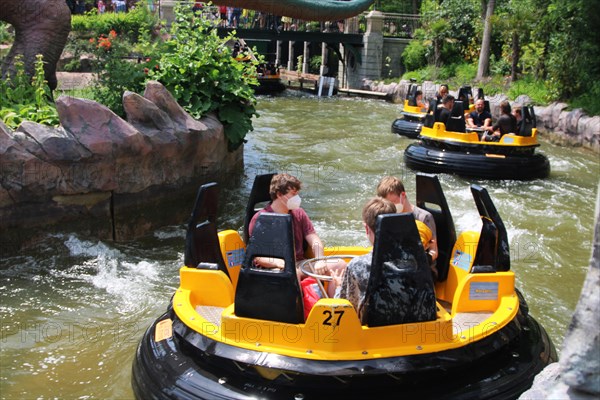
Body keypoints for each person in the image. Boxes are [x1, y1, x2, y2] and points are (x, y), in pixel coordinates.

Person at [248, 173, 346, 296]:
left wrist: (320, 259)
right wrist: (281, 263)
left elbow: (314, 239)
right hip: (272, 268)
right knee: (294, 273)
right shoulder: (260, 219)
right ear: (279, 195)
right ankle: (299, 311)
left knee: (340, 264)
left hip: (299, 264)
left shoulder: (299, 213)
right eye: (293, 194)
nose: (297, 198)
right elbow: (257, 256)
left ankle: (331, 307)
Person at [332, 197, 397, 319]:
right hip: (411, 331)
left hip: (371, 333)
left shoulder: (358, 265)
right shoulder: (415, 259)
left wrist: (338, 286)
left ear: (366, 228)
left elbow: (344, 308)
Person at [376, 176, 439, 280]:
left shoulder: (424, 217)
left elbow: (434, 252)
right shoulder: (388, 216)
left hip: (423, 270)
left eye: (392, 203)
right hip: (396, 265)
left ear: (403, 195)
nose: (390, 208)